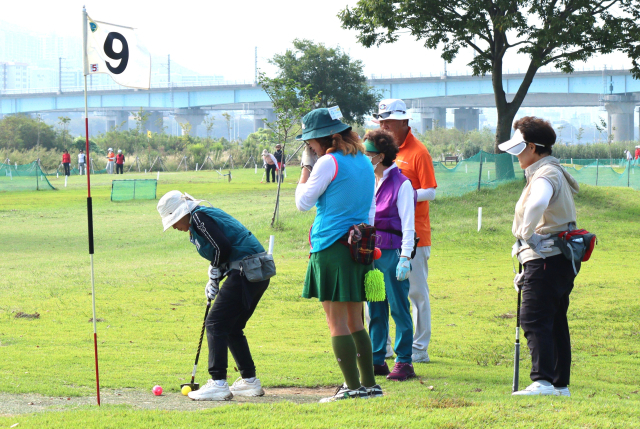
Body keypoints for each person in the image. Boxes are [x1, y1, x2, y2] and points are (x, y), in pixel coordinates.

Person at [295, 107, 381, 402]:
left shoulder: (327, 162)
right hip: (358, 247)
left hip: (331, 247)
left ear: (327, 138)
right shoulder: (363, 162)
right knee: (356, 320)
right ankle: (369, 385)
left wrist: (306, 168)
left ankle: (353, 388)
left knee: (337, 323)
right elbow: (370, 210)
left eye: (311, 144)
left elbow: (303, 203)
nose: (310, 149)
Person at [157, 191, 270, 401]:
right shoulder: (200, 219)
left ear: (183, 212)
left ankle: (218, 382)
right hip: (254, 272)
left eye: (173, 220)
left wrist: (216, 272)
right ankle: (249, 381)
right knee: (231, 327)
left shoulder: (198, 217)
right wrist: (214, 275)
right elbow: (223, 249)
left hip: (247, 270)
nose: (173, 226)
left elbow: (222, 247)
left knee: (215, 323)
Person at [500, 116, 581, 397]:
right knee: (554, 319)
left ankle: (543, 381)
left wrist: (527, 236)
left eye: (520, 149)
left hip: (546, 257)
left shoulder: (545, 174)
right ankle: (559, 384)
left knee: (534, 318)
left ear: (533, 147)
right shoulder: (548, 169)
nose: (517, 156)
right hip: (557, 258)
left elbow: (537, 202)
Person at [374, 98, 437, 363]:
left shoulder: (418, 152)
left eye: (388, 122)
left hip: (415, 233)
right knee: (378, 294)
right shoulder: (379, 150)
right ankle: (384, 348)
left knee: (415, 293)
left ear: (404, 122)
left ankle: (418, 349)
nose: (384, 126)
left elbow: (431, 191)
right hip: (384, 237)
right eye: (381, 121)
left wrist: (402, 195)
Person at [364, 129, 417, 381]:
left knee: (398, 308)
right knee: (375, 308)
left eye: (369, 154)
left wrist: (405, 257)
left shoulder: (402, 184)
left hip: (392, 253)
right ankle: (376, 359)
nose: (365, 158)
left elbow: (408, 224)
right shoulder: (369, 180)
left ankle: (404, 361)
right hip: (371, 253)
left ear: (381, 155)